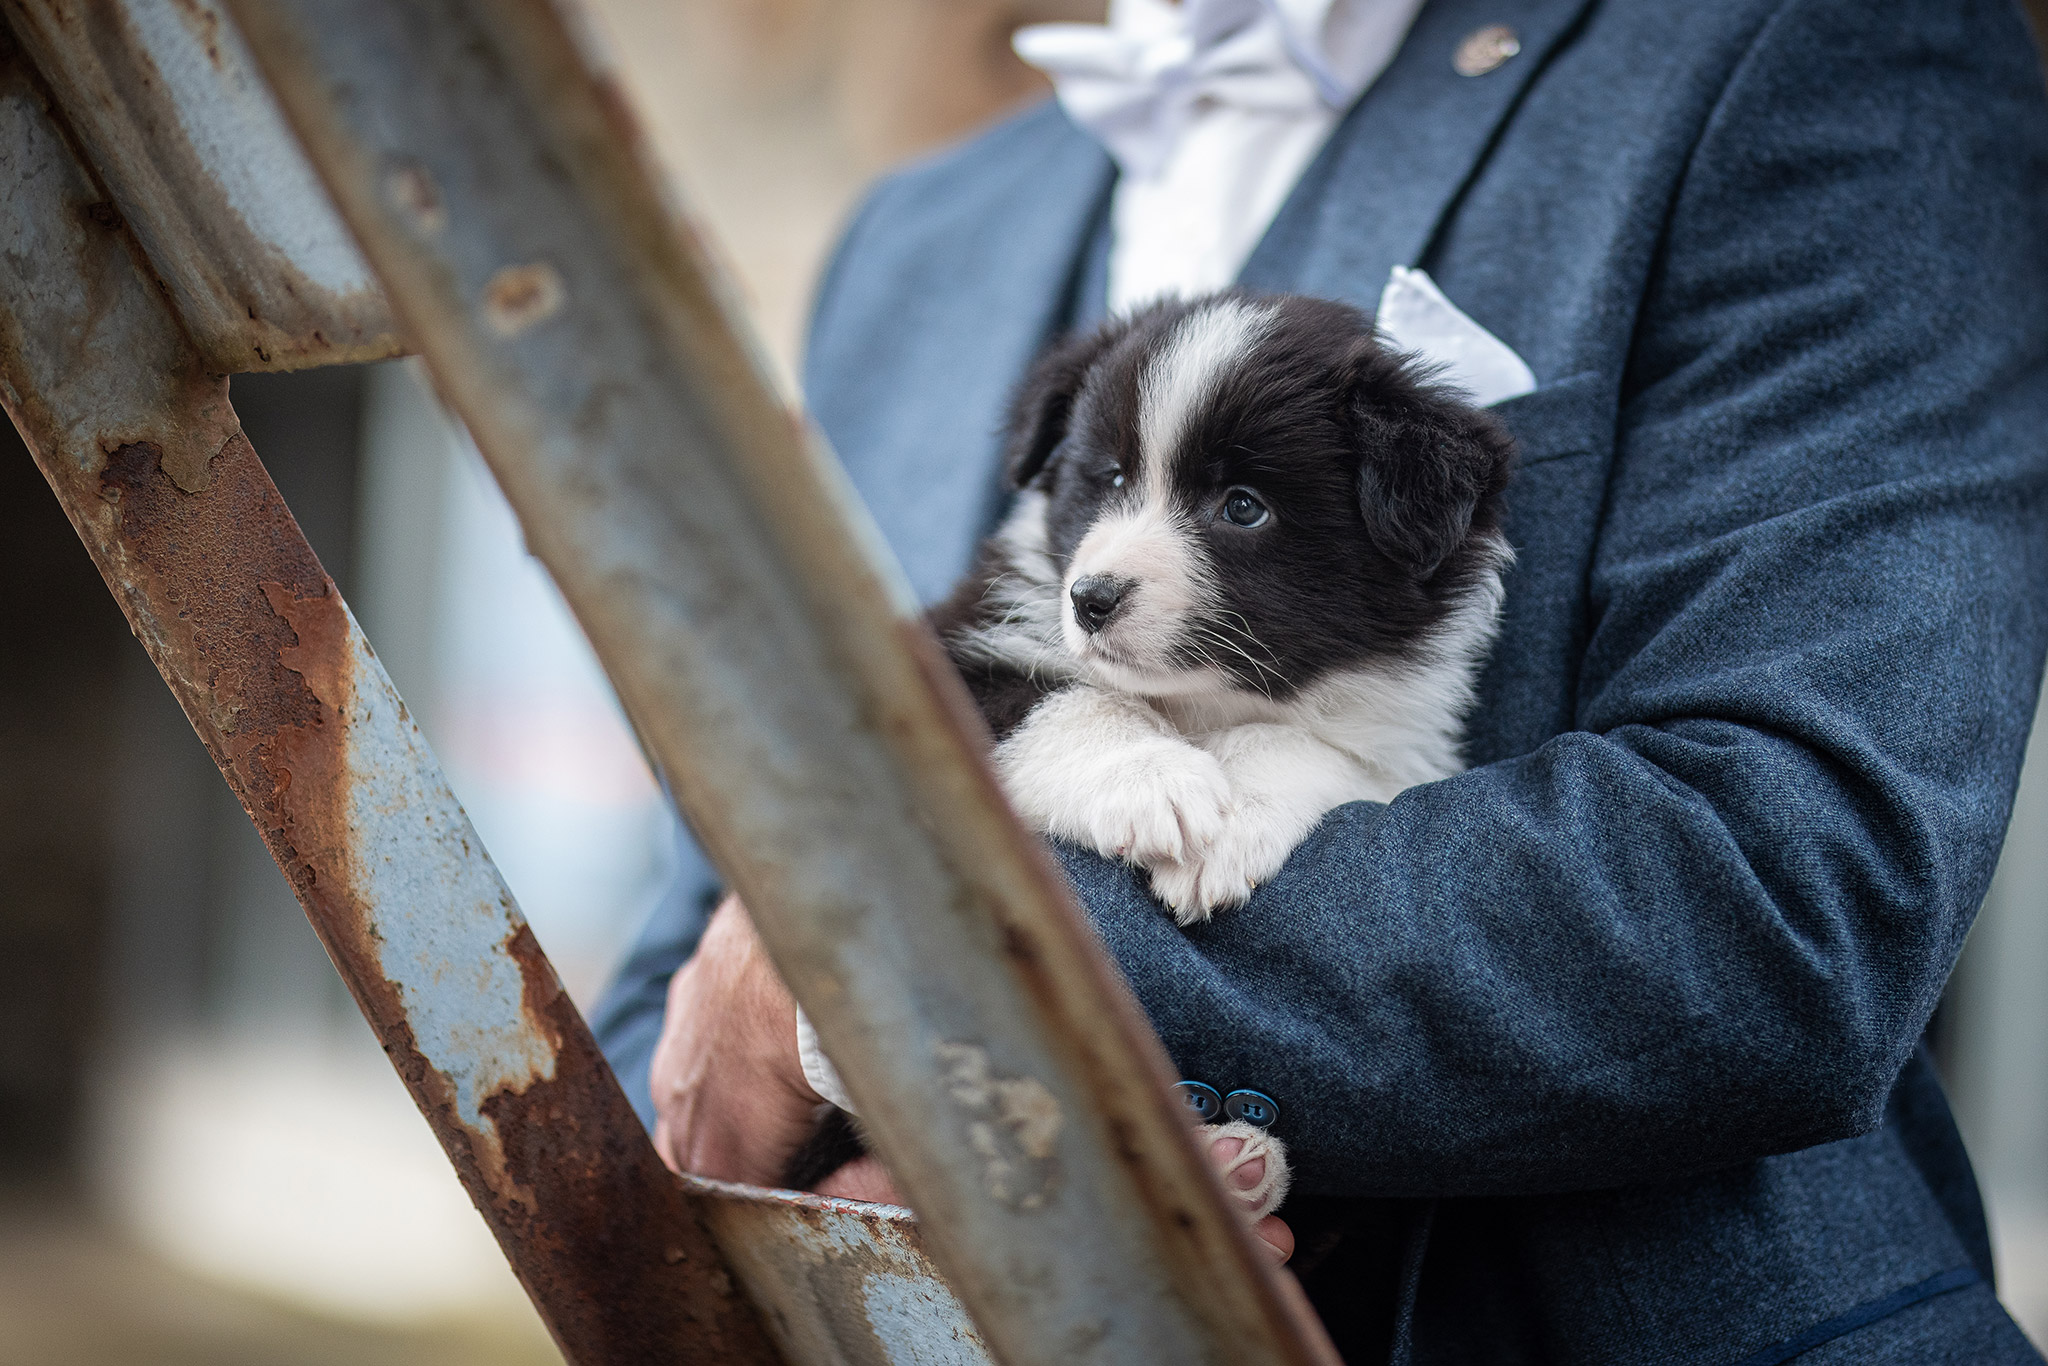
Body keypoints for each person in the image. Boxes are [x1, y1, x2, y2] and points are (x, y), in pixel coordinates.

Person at [594, 0, 2048, 1358]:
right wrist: (824, 1202)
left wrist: (876, 980)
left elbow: (1783, 888)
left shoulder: (1814, 51)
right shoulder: (917, 235)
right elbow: (695, 925)